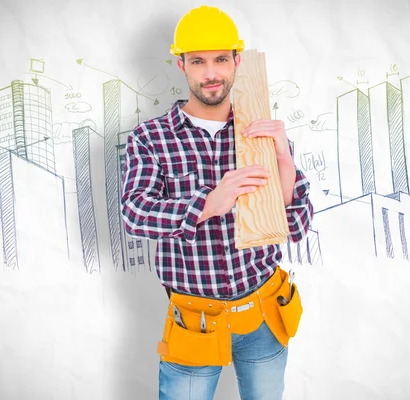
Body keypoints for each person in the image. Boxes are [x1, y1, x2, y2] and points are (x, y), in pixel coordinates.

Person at [121, 5, 314, 399]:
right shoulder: (150, 139)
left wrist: (283, 161)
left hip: (263, 314)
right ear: (182, 66)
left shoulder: (260, 135)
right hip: (194, 320)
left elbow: (294, 227)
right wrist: (210, 202)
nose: (211, 73)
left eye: (221, 60)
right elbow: (134, 214)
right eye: (198, 61)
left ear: (237, 62)